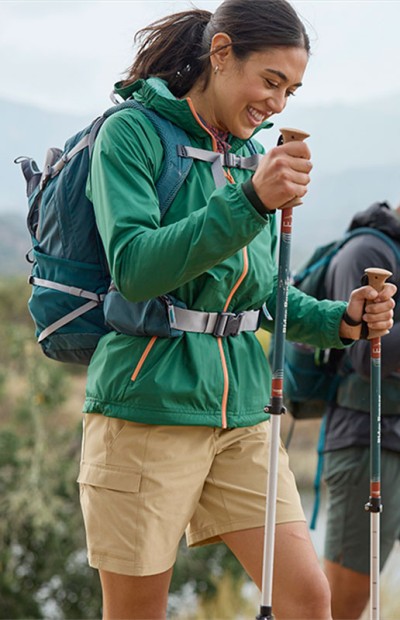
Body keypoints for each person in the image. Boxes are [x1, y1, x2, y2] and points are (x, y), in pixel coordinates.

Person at [77, 1, 396, 618]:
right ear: (221, 54)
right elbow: (137, 270)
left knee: (307, 600)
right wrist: (251, 200)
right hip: (148, 408)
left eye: (292, 90)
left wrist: (342, 320)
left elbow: (264, 293)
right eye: (270, 82)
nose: (278, 104)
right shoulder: (132, 133)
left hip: (245, 414)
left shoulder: (248, 154)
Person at [322, 200, 400, 620]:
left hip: (392, 438)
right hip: (366, 441)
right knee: (340, 607)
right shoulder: (367, 251)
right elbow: (364, 353)